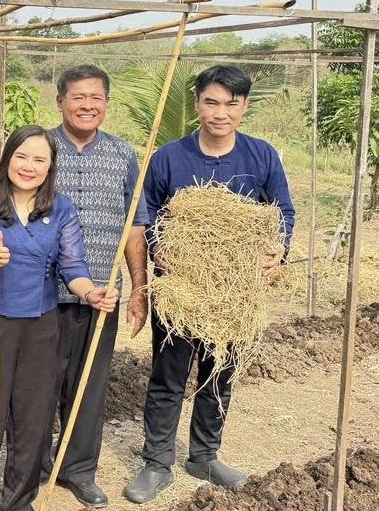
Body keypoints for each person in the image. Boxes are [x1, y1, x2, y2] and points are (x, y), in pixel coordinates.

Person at [124, 65, 295, 504]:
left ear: (245, 107)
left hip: (236, 296)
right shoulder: (169, 158)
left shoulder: (261, 157)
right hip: (181, 291)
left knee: (219, 374)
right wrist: (161, 249)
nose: (221, 113)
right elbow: (148, 215)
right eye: (211, 102)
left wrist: (278, 250)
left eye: (231, 104)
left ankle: (204, 455)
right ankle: (157, 462)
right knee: (168, 377)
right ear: (198, 104)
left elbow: (283, 214)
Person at [0, 124, 119, 511]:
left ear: (51, 167)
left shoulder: (61, 209)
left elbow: (74, 267)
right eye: (21, 156)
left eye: (40, 159)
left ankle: (18, 503)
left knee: (32, 421)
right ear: (7, 159)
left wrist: (91, 292)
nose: (29, 166)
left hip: (41, 327)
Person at [42, 65, 150, 508]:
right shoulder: (39, 150)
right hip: (42, 293)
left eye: (96, 98)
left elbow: (135, 228)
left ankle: (79, 470)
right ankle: (32, 464)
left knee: (89, 384)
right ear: (61, 101)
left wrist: (138, 290)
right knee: (39, 384)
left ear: (107, 103)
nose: (88, 106)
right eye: (78, 97)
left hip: (102, 293)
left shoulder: (124, 155)